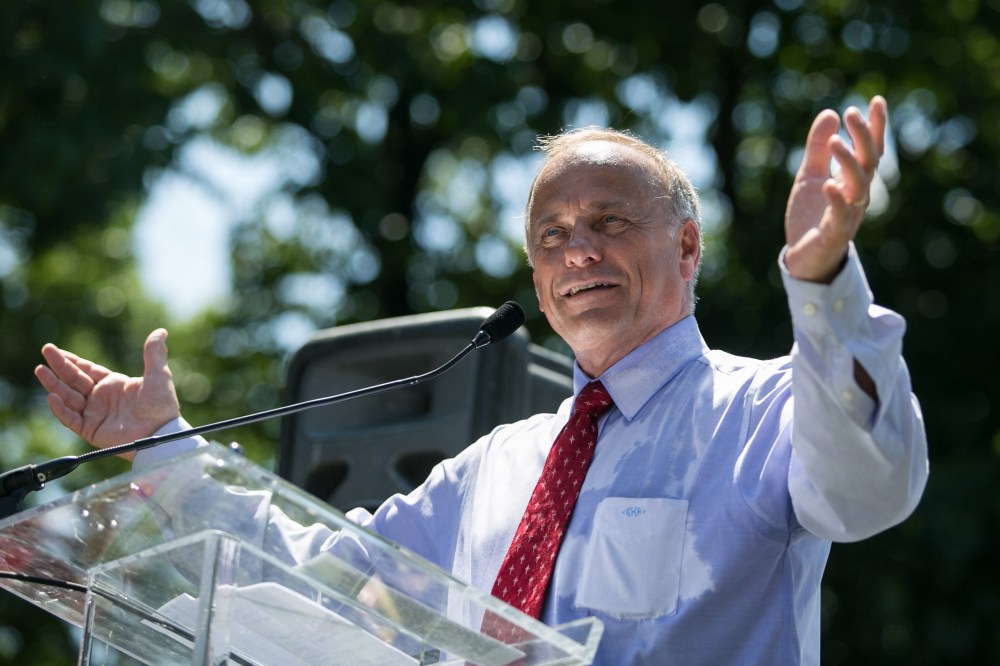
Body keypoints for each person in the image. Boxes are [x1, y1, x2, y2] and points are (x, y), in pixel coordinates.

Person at [35, 95, 928, 665]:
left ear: (687, 247)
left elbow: (870, 491)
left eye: (611, 221)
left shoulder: (763, 408)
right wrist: (163, 449)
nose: (578, 249)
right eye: (552, 235)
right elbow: (322, 579)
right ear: (539, 281)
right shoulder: (495, 467)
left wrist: (822, 283)